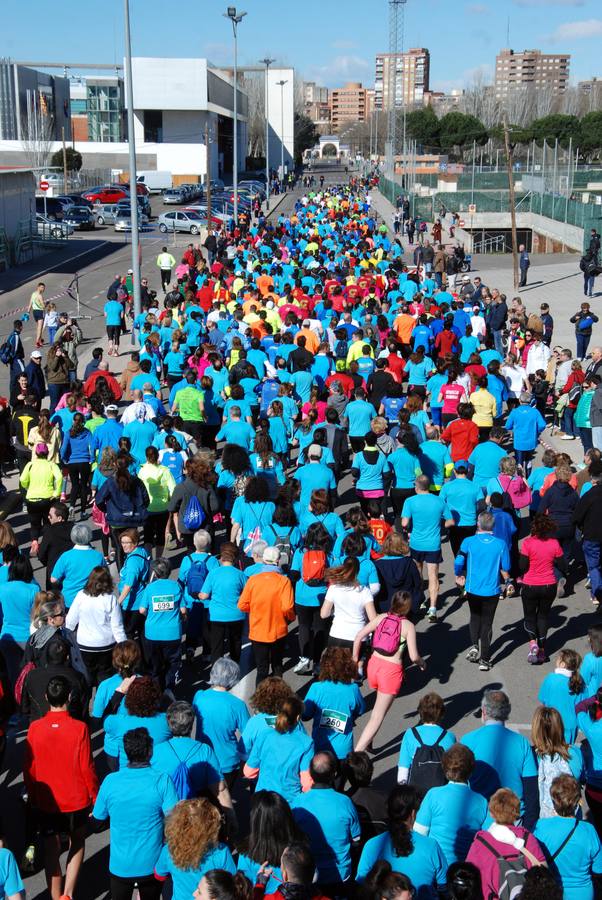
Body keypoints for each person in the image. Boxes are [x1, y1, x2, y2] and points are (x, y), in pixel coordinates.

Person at [24, 675, 98, 900]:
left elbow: (29, 768)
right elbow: (87, 767)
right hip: (75, 799)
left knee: (50, 848)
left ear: (46, 698)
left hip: (47, 800)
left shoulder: (35, 728)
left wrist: (34, 795)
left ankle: (56, 896)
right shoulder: (79, 728)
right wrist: (95, 797)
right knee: (77, 841)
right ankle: (68, 893)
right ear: (70, 696)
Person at [92, 726, 178, 900]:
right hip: (152, 864)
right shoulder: (162, 780)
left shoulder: (110, 781)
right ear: (150, 752)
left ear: (126, 751)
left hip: (120, 866)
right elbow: (175, 821)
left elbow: (96, 823)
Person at [354, 591, 425, 753]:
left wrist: (354, 657)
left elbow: (359, 636)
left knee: (378, 709)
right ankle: (356, 754)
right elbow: (414, 656)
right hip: (390, 672)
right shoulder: (408, 626)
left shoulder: (380, 618)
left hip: (373, 666)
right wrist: (422, 663)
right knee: (377, 716)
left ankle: (369, 740)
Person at [461, 690, 538, 827]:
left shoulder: (467, 740)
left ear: (484, 711)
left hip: (477, 823)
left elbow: (459, 786)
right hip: (513, 821)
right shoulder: (522, 743)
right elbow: (531, 789)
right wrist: (528, 828)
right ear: (507, 712)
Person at [356, 785, 447, 893]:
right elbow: (444, 886)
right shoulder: (431, 846)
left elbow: (362, 884)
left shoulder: (371, 845)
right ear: (413, 814)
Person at [291, 751, 360, 891]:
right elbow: (356, 838)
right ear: (334, 774)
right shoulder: (345, 802)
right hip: (341, 875)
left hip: (309, 874)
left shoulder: (298, 802)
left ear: (310, 773)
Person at [414, 743, 488, 868]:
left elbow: (419, 832)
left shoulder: (433, 795)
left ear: (445, 768)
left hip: (435, 865)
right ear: (471, 772)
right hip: (465, 868)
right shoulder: (482, 801)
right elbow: (486, 839)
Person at [454, 511, 511, 671]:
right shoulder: (500, 544)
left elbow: (459, 560)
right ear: (493, 525)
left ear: (478, 524)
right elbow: (506, 567)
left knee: (474, 616)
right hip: (492, 590)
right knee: (487, 623)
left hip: (472, 588)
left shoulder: (468, 541)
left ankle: (474, 646)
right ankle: (485, 660)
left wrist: (459, 574)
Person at [466, 787, 545, 900]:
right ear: (516, 812)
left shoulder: (480, 843)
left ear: (492, 813)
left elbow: (469, 876)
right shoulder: (528, 838)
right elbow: (543, 872)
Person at [151, 702, 232, 809]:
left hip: (167, 814)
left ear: (169, 723)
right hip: (196, 812)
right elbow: (219, 788)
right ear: (192, 723)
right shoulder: (204, 750)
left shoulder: (156, 751)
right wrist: (231, 817)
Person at [534, 774, 602, 900]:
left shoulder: (540, 827)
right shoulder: (589, 830)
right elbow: (598, 869)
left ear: (554, 800)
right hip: (582, 894)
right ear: (577, 802)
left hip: (552, 892)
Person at [237, 546, 295, 684]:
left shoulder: (253, 580)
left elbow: (242, 605)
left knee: (261, 669)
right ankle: (278, 698)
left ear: (263, 559)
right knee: (277, 667)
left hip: (258, 630)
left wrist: (256, 609)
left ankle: (260, 701)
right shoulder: (284, 581)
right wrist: (290, 617)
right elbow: (287, 607)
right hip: (278, 630)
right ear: (278, 561)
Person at [401, 475, 454, 622]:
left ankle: (418, 602)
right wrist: (440, 526)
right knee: (433, 576)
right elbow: (451, 521)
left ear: (417, 487)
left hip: (416, 544)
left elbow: (404, 523)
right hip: (433, 544)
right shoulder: (439, 501)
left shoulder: (410, 501)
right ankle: (432, 608)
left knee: (417, 573)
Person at [244, 695, 314, 804]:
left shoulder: (264, 735)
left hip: (262, 799)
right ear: (297, 718)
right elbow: (307, 783)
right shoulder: (306, 742)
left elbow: (248, 772)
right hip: (289, 801)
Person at [192, 658, 250, 788]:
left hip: (202, 759)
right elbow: (248, 736)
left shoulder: (199, 696)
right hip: (227, 762)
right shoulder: (238, 705)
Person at [65, 565, 127, 686]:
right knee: (104, 681)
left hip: (85, 645)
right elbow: (117, 627)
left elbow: (70, 622)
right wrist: (124, 646)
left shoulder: (81, 596)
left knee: (85, 678)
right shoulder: (111, 599)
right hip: (106, 646)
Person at [519, 514, 567, 665]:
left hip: (530, 585)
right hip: (549, 585)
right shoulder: (554, 544)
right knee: (543, 616)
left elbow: (522, 566)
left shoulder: (528, 543)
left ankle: (533, 643)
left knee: (529, 616)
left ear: (534, 528)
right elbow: (563, 565)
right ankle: (542, 650)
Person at [302, 647, 365, 759]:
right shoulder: (353, 689)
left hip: (320, 748)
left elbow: (305, 715)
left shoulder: (316, 688)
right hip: (344, 750)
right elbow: (360, 709)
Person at [139, 557, 188, 690]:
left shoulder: (150, 588)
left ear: (154, 572)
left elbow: (142, 609)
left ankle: (156, 689)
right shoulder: (175, 586)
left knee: (156, 665)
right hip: (172, 633)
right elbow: (183, 609)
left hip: (153, 633)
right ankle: (169, 687)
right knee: (172, 662)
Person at [531, 706, 584, 819]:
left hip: (545, 819)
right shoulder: (574, 753)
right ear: (560, 728)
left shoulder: (533, 757)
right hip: (572, 815)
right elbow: (582, 778)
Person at [20, 441, 62, 556]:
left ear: (36, 453)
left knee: (34, 523)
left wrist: (28, 486)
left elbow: (23, 479)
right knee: (47, 523)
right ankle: (46, 543)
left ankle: (34, 542)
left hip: (32, 499)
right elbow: (59, 478)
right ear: (47, 453)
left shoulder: (30, 465)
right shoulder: (51, 465)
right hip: (47, 498)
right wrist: (56, 492)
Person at [50, 522, 105, 609]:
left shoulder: (66, 556)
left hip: (70, 600)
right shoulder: (98, 556)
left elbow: (53, 579)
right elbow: (105, 576)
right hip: (92, 599)